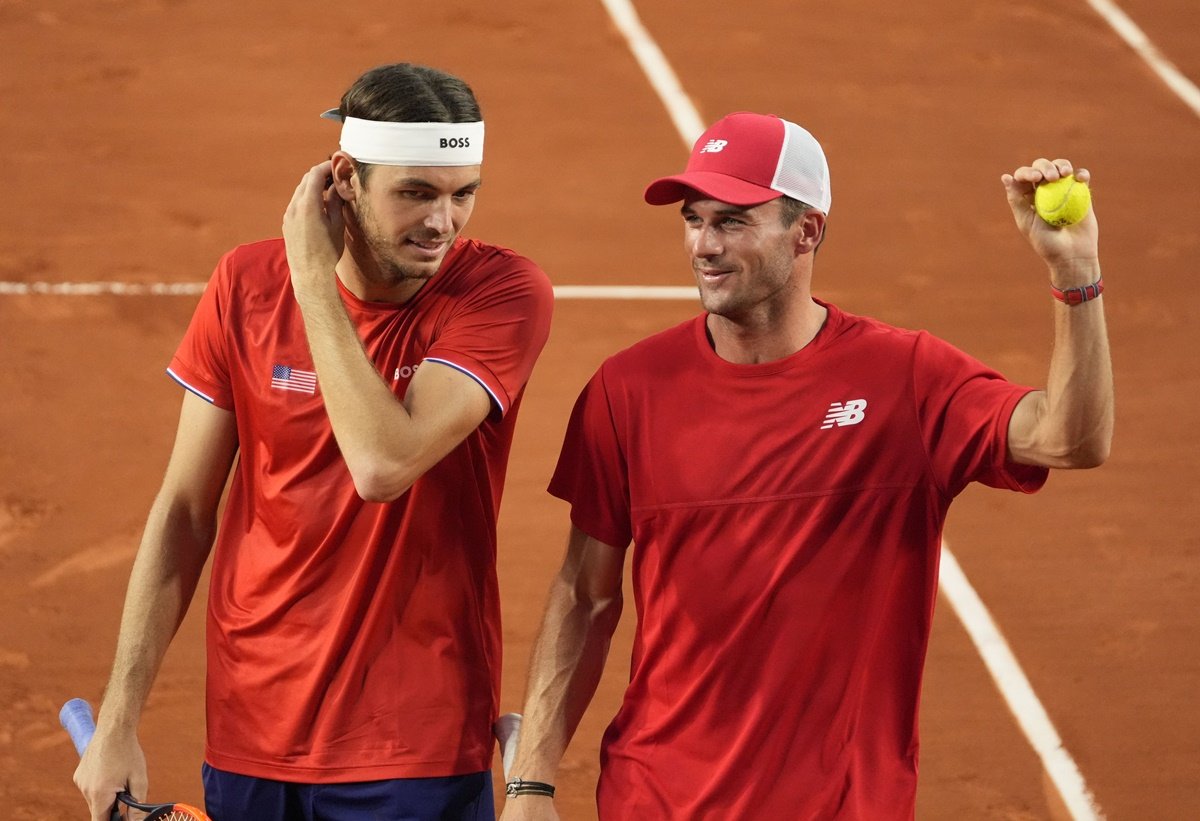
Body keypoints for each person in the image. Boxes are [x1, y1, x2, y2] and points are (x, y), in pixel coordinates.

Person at [499, 111, 1112, 820]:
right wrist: (531, 781)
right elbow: (584, 594)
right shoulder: (628, 390)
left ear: (807, 231)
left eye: (732, 221)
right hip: (658, 799)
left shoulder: (904, 379)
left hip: (842, 804)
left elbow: (1071, 438)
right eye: (694, 219)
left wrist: (1077, 277)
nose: (704, 244)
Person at [72, 62, 554, 821]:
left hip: (411, 745)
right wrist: (119, 719)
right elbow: (185, 510)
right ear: (345, 179)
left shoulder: (500, 294)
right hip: (251, 729)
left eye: (463, 193)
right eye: (416, 192)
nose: (443, 222)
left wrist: (309, 275)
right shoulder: (243, 283)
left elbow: (383, 460)